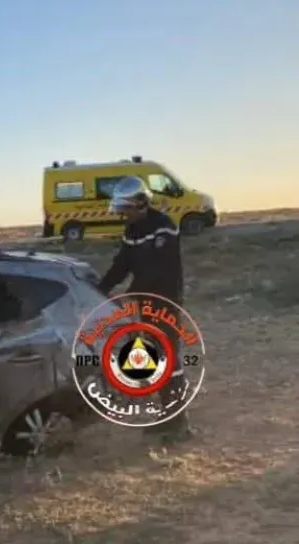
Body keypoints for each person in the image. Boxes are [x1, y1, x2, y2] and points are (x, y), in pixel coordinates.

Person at [96, 176, 192, 443]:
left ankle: (179, 423)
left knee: (170, 360)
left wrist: (130, 294)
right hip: (145, 303)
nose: (123, 214)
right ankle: (166, 418)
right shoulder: (132, 230)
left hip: (165, 302)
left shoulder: (163, 227)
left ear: (140, 203)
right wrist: (101, 288)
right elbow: (122, 263)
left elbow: (157, 269)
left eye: (126, 209)